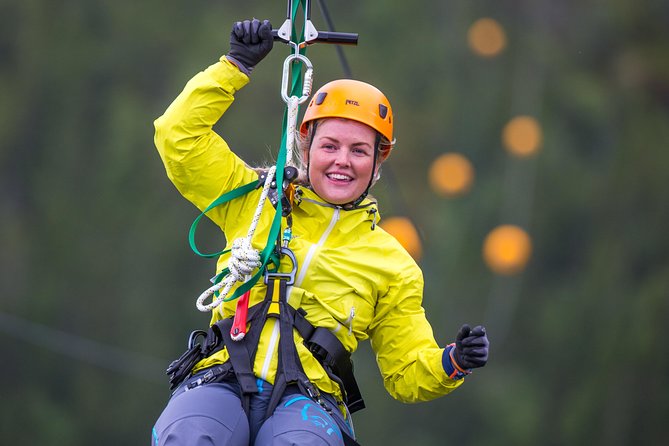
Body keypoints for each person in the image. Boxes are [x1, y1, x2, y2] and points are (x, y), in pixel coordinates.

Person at [151, 18, 489, 446]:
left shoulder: (392, 265)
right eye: (330, 146)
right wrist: (234, 66)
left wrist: (452, 362)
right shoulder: (255, 200)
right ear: (305, 147)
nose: (342, 161)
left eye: (359, 150)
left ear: (377, 163)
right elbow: (178, 137)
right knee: (191, 435)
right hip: (221, 377)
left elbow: (406, 372)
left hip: (309, 400)